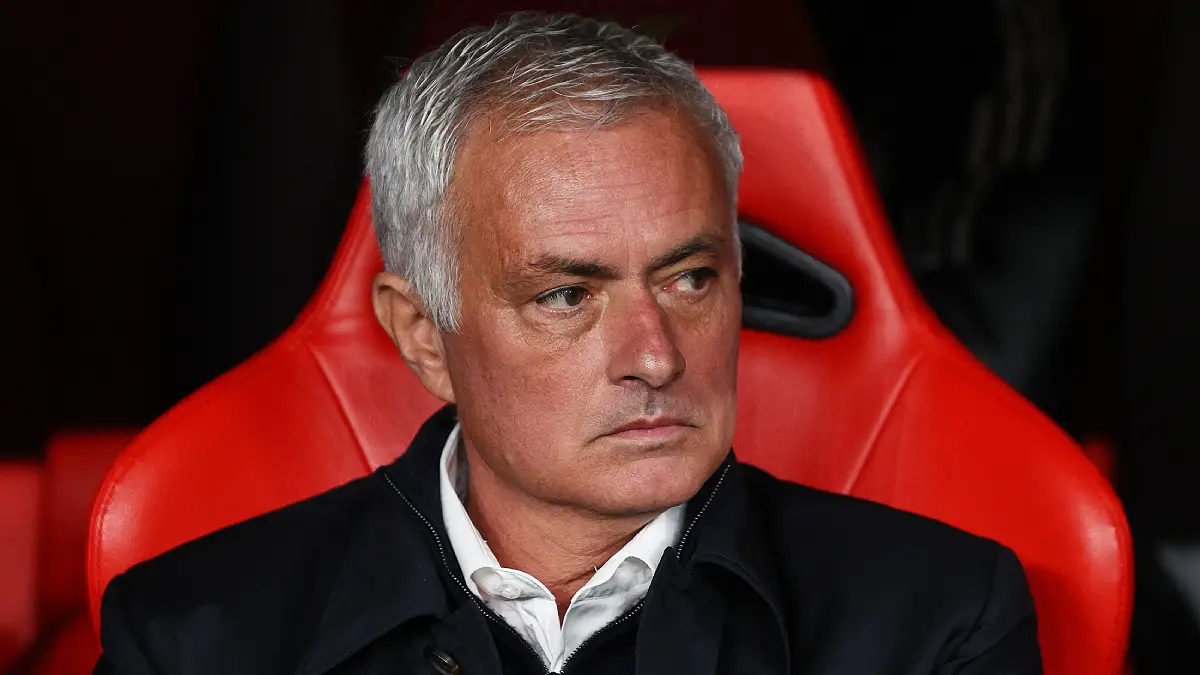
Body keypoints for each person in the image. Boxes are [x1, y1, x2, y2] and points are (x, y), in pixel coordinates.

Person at [93, 12, 1041, 675]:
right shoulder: (193, 636)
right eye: (566, 294)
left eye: (691, 278)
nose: (657, 355)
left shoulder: (941, 617)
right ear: (423, 334)